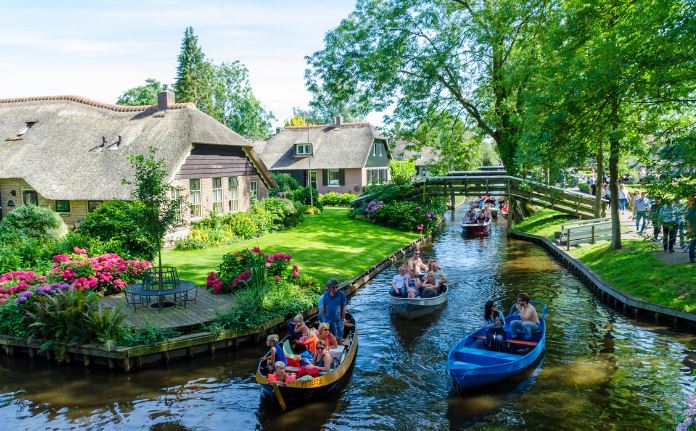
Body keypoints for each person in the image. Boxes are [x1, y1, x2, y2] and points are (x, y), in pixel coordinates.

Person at [322, 279, 347, 345]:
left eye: (337, 286)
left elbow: (344, 308)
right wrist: (324, 318)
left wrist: (342, 319)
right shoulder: (326, 295)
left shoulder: (342, 295)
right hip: (328, 320)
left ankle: (341, 352)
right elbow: (324, 307)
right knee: (328, 336)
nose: (335, 288)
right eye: (333, 287)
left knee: (339, 337)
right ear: (329, 288)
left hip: (338, 320)